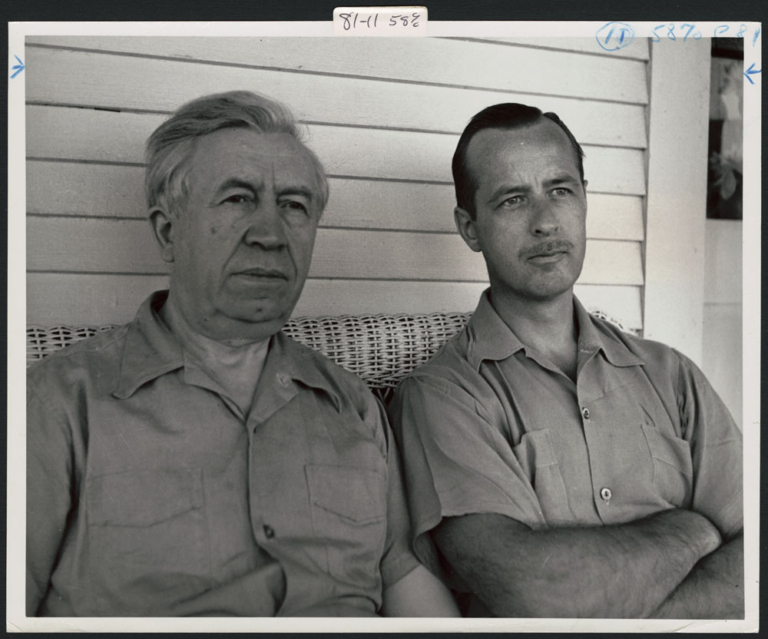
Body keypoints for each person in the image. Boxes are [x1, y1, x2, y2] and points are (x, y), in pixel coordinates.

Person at [26, 91, 458, 618]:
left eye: (294, 206)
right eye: (237, 199)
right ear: (167, 231)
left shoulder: (353, 404)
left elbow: (401, 572)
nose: (270, 235)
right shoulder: (58, 403)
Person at [388, 103, 743, 619]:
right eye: (513, 200)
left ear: (584, 200)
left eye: (560, 190)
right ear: (470, 228)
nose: (546, 222)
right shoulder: (446, 396)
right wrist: (693, 531)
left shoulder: (671, 375)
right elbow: (538, 595)